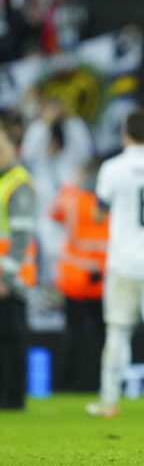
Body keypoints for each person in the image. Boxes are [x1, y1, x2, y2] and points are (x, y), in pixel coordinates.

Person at [85, 108, 144, 418]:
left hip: (124, 262)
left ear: (124, 134)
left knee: (117, 331)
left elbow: (99, 213)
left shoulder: (113, 168)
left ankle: (109, 401)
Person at [51, 159, 109, 391]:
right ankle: (100, 384)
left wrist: (72, 184)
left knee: (74, 336)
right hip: (95, 279)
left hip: (77, 277)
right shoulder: (104, 204)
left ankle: (67, 383)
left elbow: (54, 212)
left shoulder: (72, 198)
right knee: (100, 337)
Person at [0, 120, 37, 410]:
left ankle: (13, 400)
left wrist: (6, 277)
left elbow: (22, 235)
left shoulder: (18, 183)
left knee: (12, 338)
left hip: (11, 277)